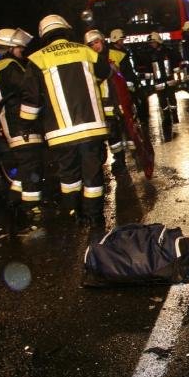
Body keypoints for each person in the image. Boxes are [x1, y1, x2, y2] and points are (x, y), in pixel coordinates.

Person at [20, 14, 111, 227]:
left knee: (69, 177)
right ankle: (95, 217)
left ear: (44, 35)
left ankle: (75, 212)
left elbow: (31, 99)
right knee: (92, 175)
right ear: (66, 30)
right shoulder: (85, 51)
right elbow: (105, 72)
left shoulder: (37, 59)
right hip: (92, 128)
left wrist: (26, 124)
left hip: (60, 134)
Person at [0, 27, 45, 223]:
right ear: (10, 47)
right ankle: (31, 208)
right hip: (19, 124)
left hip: (20, 123)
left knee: (27, 165)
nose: (22, 50)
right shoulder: (8, 66)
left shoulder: (10, 65)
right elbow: (26, 88)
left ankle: (13, 200)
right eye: (19, 47)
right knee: (30, 164)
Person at [85, 29, 125, 171]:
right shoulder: (88, 61)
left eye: (96, 42)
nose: (95, 47)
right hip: (96, 105)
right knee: (101, 136)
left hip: (113, 103)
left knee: (115, 135)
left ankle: (120, 161)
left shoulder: (116, 55)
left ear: (102, 41)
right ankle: (101, 162)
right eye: (91, 45)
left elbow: (127, 78)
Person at [147, 31, 182, 137]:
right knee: (162, 101)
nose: (151, 44)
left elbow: (175, 64)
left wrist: (178, 76)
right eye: (150, 43)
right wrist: (149, 84)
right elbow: (149, 70)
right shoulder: (150, 55)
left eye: (153, 42)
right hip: (159, 82)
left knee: (172, 99)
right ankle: (166, 116)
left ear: (158, 41)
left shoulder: (168, 51)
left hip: (169, 80)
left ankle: (175, 116)